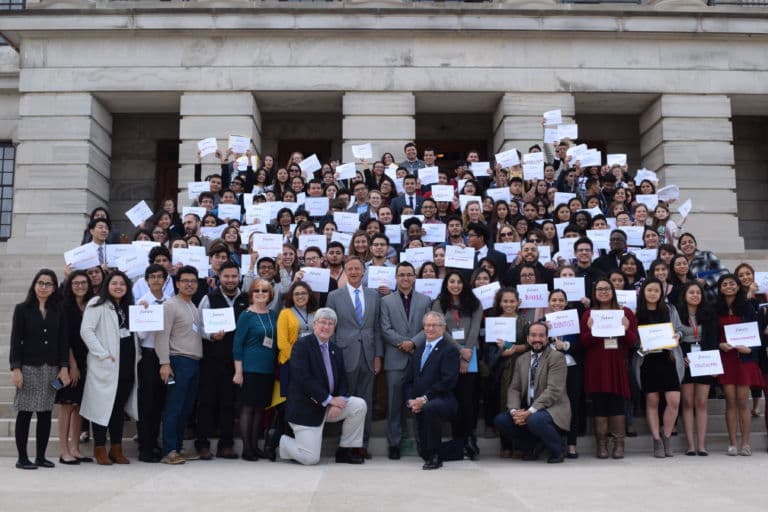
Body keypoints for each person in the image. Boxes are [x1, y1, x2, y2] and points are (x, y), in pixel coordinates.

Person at [265, 308, 368, 465]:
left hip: (327, 406)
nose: (326, 327)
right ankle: (278, 438)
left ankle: (345, 451)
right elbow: (303, 380)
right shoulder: (301, 346)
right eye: (322, 323)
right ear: (314, 325)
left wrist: (339, 399)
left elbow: (343, 381)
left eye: (330, 324)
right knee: (310, 458)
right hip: (306, 409)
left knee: (359, 405)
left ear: (334, 328)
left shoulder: (336, 350)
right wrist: (329, 400)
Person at [10, 269, 71, 470]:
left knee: (45, 413)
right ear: (34, 285)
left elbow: (63, 341)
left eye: (49, 284)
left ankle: (41, 457)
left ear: (54, 288)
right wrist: (16, 369)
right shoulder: (22, 309)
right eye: (41, 283)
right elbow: (15, 342)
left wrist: (64, 367)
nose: (44, 287)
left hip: (51, 367)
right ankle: (22, 458)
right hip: (28, 367)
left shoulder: (58, 310)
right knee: (25, 412)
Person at [325, 257, 383, 458]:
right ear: (345, 271)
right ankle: (345, 445)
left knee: (365, 401)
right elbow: (330, 328)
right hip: (344, 355)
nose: (354, 272)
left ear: (363, 271)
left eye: (357, 268)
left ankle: (361, 444)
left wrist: (378, 356)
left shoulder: (374, 295)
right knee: (346, 401)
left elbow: (376, 328)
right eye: (349, 269)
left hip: (368, 355)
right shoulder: (334, 296)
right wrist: (331, 358)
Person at [80, 270, 139, 466]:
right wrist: (102, 353)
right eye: (114, 283)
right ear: (107, 285)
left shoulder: (130, 307)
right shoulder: (97, 304)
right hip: (106, 364)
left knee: (117, 408)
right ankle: (99, 448)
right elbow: (86, 331)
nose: (118, 287)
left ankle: (116, 448)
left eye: (122, 284)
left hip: (126, 365)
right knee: (101, 406)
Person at [494, 322, 570, 463]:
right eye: (533, 335)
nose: (537, 339)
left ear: (547, 338)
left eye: (541, 336)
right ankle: (532, 447)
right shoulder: (522, 360)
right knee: (501, 420)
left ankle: (558, 450)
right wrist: (514, 411)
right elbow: (514, 388)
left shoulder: (556, 357)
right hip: (529, 410)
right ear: (528, 338)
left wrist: (530, 412)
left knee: (535, 420)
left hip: (553, 409)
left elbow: (553, 390)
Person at [379, 262, 433, 460]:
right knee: (394, 403)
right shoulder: (386, 301)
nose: (405, 278)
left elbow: (428, 326)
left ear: (414, 277)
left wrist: (413, 342)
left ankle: (421, 440)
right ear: (396, 277)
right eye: (401, 275)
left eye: (409, 274)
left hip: (419, 357)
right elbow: (384, 329)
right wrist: (403, 343)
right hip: (395, 358)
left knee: (420, 401)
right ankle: (394, 442)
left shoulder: (425, 300)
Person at [196, 261, 250, 460]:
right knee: (206, 402)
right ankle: (202, 444)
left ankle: (226, 445)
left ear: (239, 277)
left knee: (229, 403)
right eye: (226, 276)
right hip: (211, 359)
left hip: (235, 361)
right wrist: (210, 336)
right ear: (219, 277)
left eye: (234, 276)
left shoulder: (246, 299)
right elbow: (199, 327)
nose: (230, 280)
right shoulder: (209, 298)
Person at [580, 278, 638, 459]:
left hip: (616, 363)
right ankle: (601, 445)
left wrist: (625, 329)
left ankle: (619, 444)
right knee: (599, 404)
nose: (603, 291)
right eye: (599, 289)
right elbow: (583, 343)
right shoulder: (588, 314)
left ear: (613, 291)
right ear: (594, 292)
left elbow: (633, 341)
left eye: (606, 288)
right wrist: (590, 330)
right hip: (596, 364)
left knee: (617, 403)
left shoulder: (624, 312)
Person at [154, 265, 204, 465]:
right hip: (177, 360)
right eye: (185, 281)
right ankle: (169, 450)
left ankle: (178, 446)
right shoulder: (170, 305)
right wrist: (164, 363)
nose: (189, 284)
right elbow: (161, 335)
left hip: (193, 361)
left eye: (193, 281)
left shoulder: (192, 306)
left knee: (185, 408)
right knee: (174, 407)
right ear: (177, 284)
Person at [432, 270, 483, 459]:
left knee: (467, 400)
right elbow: (440, 330)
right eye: (452, 281)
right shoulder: (439, 304)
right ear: (446, 284)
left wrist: (467, 353)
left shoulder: (474, 303)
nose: (455, 285)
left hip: (471, 355)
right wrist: (459, 351)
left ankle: (469, 438)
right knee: (452, 398)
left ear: (464, 284)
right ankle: (457, 440)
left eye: (459, 282)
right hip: (448, 355)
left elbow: (475, 328)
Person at [633, 278, 684, 458]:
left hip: (668, 359)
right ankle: (656, 440)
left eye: (656, 290)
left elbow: (680, 330)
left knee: (674, 401)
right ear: (643, 292)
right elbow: (633, 339)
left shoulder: (670, 310)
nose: (653, 293)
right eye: (649, 290)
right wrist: (640, 344)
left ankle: (667, 435)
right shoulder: (637, 313)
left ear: (661, 293)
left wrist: (677, 335)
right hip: (647, 362)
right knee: (652, 402)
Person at [404, 311, 461, 470]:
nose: (430, 328)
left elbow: (448, 381)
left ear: (443, 328)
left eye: (434, 325)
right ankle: (458, 449)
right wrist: (411, 400)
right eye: (427, 325)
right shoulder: (419, 350)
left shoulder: (449, 350)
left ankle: (436, 456)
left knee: (430, 407)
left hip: (443, 400)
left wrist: (424, 399)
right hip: (420, 400)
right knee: (423, 452)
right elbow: (409, 380)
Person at [715, 274, 764, 456]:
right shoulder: (715, 308)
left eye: (732, 284)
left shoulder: (748, 307)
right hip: (726, 358)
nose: (728, 286)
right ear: (720, 288)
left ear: (738, 287)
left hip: (744, 359)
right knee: (730, 402)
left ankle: (745, 443)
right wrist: (720, 345)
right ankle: (732, 443)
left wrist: (749, 349)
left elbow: (756, 333)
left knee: (743, 402)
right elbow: (712, 335)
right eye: (725, 284)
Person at [232, 278, 278, 461]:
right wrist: (238, 371)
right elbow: (237, 345)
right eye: (257, 291)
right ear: (251, 294)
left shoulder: (273, 315)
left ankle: (255, 446)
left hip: (267, 368)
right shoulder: (246, 315)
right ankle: (247, 448)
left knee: (260, 408)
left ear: (270, 295)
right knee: (248, 408)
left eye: (264, 291)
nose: (260, 294)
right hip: (250, 368)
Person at [676, 281, 719, 456]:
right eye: (691, 292)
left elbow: (713, 339)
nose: (695, 295)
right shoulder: (678, 314)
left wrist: (714, 362)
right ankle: (690, 446)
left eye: (698, 293)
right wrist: (681, 356)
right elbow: (674, 338)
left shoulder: (709, 314)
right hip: (686, 359)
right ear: (685, 295)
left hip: (704, 359)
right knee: (687, 403)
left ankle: (701, 445)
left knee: (701, 402)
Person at [55, 271, 93, 465]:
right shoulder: (64, 306)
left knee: (80, 406)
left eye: (84, 282)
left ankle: (75, 448)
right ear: (70, 285)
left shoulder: (91, 304)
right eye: (76, 283)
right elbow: (64, 338)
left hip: (89, 360)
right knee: (67, 404)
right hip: (70, 361)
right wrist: (72, 365)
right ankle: (63, 450)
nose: (80, 286)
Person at [542, 289, 583, 459]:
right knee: (551, 406)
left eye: (561, 300)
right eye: (554, 300)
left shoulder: (575, 321)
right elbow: (534, 344)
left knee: (572, 405)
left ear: (566, 303)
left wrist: (565, 346)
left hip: (572, 367)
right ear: (549, 302)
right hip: (550, 369)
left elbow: (581, 345)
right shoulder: (542, 322)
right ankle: (555, 442)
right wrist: (546, 332)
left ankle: (571, 444)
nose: (557, 303)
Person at [134, 264, 169, 463]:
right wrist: (148, 317)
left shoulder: (169, 302)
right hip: (148, 356)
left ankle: (155, 443)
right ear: (146, 280)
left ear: (165, 280)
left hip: (165, 356)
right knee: (147, 403)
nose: (156, 280)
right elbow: (141, 335)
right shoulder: (142, 302)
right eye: (152, 277)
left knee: (159, 403)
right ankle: (145, 447)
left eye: (160, 277)